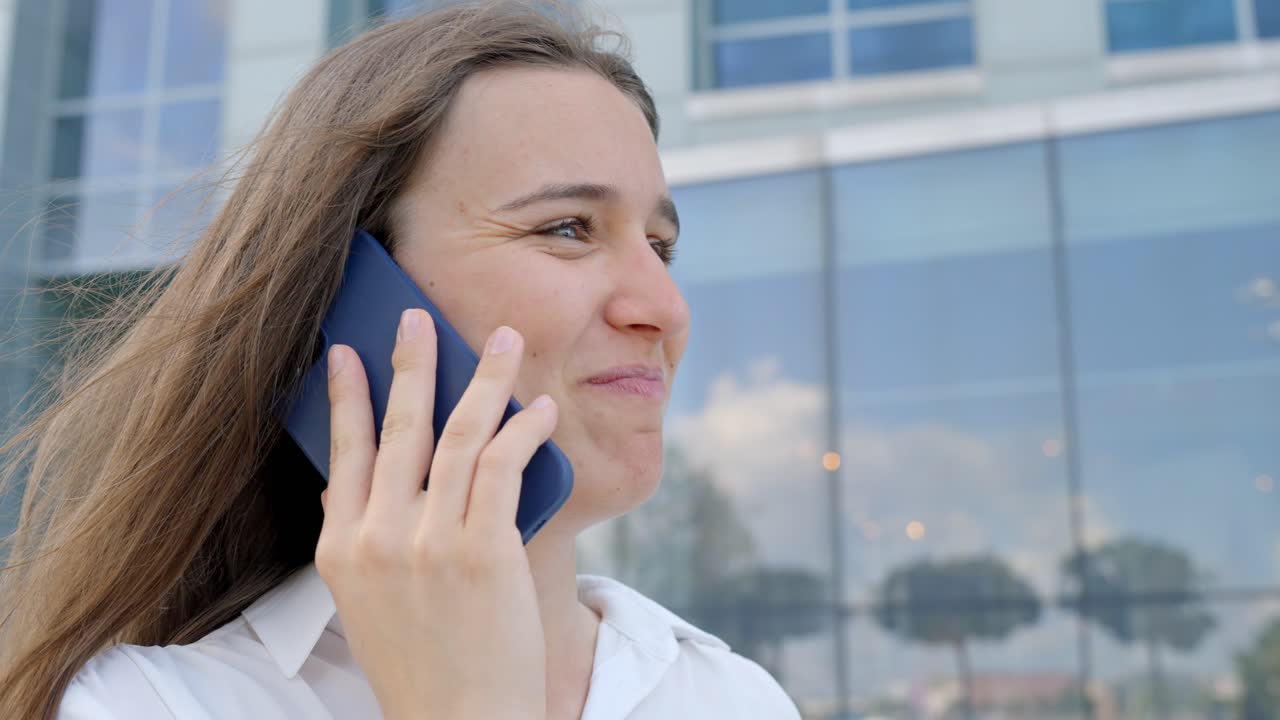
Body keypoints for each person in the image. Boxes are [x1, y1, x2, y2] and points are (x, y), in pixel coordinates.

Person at [0, 2, 803, 718]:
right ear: (352, 295)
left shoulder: (730, 697)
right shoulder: (148, 705)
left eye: (661, 246)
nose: (665, 308)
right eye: (567, 228)